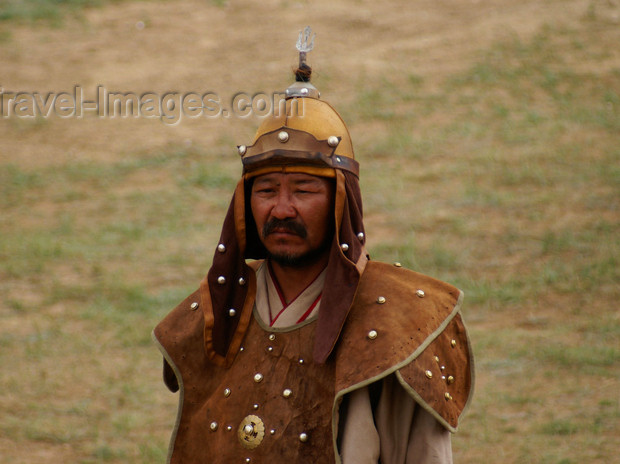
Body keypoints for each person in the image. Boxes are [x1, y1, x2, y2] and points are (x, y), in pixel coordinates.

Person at [153, 28, 474, 464]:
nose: (281, 209)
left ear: (342, 202)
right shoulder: (212, 318)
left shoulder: (397, 325)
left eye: (303, 190)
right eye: (266, 190)